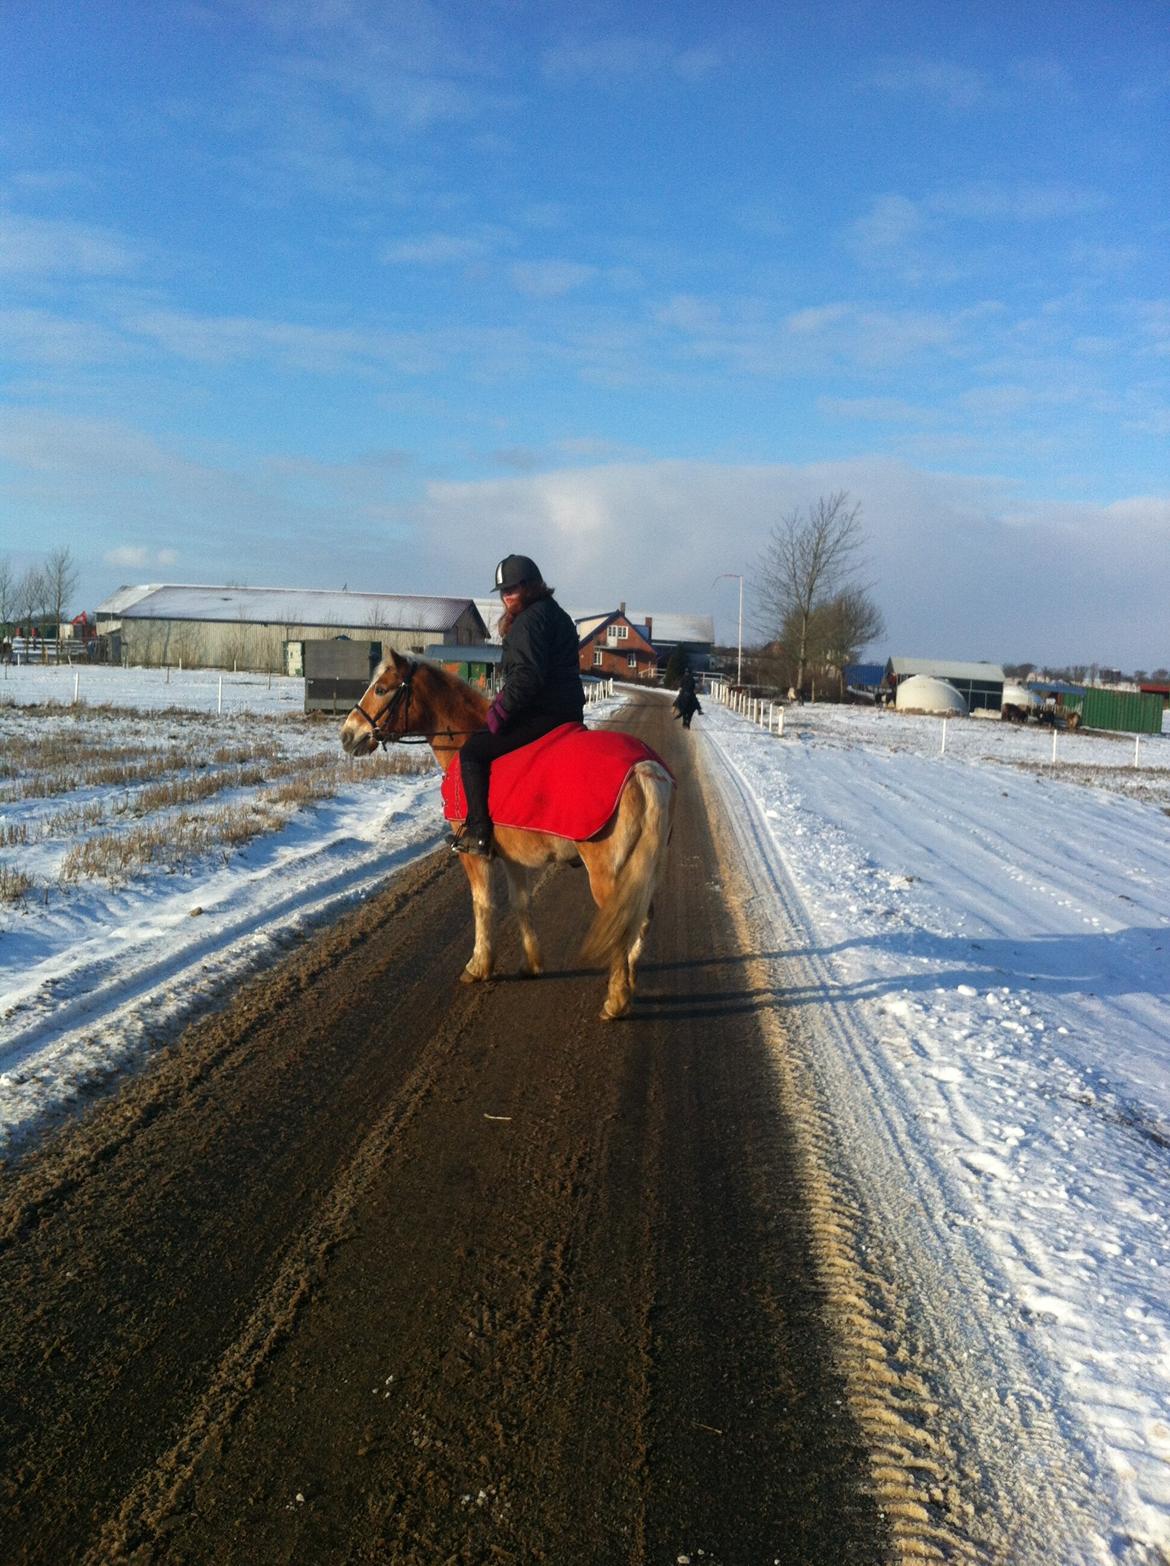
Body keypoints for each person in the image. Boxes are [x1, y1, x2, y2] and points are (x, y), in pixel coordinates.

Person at [450, 553, 585, 857]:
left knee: (473, 751)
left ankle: (479, 833)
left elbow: (527, 677)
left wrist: (502, 709)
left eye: (513, 588)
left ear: (532, 586)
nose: (507, 596)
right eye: (503, 591)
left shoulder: (528, 621)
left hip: (542, 713)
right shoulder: (556, 613)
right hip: (569, 711)